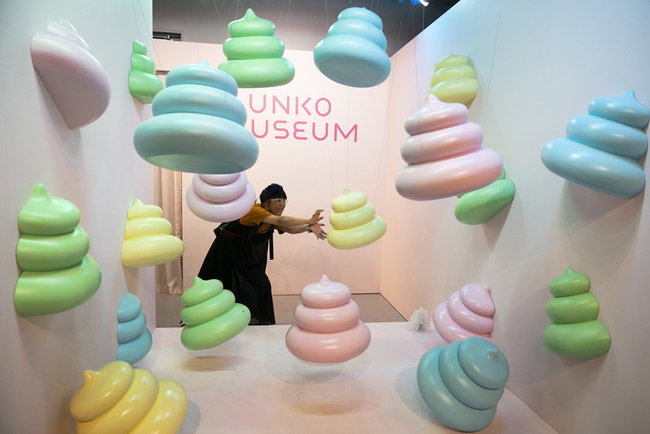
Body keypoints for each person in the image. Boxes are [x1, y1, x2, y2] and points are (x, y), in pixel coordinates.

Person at [197, 183, 327, 325]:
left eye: (284, 201)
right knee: (221, 283)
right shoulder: (254, 210)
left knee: (262, 284)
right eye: (278, 200)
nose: (282, 204)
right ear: (266, 202)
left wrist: (309, 228)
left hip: (246, 254)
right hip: (227, 251)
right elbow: (281, 220)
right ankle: (211, 318)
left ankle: (260, 320)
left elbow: (288, 228)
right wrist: (309, 220)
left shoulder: (270, 217)